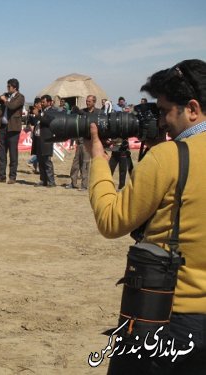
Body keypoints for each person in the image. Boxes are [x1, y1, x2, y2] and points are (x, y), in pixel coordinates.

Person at [86, 59, 206, 374]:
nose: (161, 120)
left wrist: (98, 160)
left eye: (165, 111)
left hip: (168, 316)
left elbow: (112, 221)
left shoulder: (169, 158)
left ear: (191, 109)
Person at [0, 79, 25, 184]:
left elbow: (12, 106)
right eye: (7, 86)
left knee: (13, 154)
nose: (7, 88)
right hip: (3, 127)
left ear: (14, 87)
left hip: (13, 129)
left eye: (9, 86)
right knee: (1, 153)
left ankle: (12, 177)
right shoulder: (5, 95)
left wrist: (5, 100)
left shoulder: (20, 97)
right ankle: (1, 176)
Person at [66, 95, 100, 190]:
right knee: (75, 164)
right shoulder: (83, 111)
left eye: (89, 101)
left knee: (85, 164)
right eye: (86, 101)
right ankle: (73, 183)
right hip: (80, 141)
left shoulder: (98, 113)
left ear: (94, 102)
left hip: (89, 143)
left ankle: (84, 185)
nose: (87, 102)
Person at [33, 95, 56, 187]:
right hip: (39, 138)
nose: (42, 104)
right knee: (40, 161)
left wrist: (38, 115)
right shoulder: (42, 111)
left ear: (49, 102)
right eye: (41, 102)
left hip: (46, 138)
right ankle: (43, 180)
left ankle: (51, 181)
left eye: (43, 102)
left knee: (47, 161)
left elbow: (47, 121)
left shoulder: (51, 112)